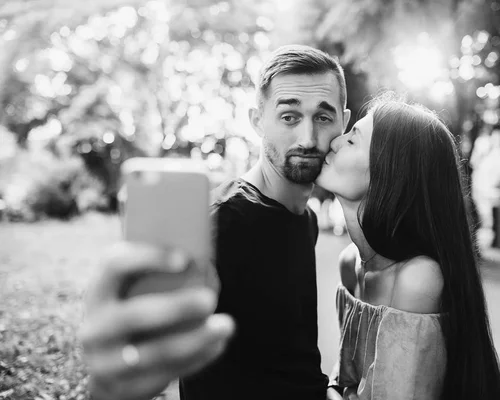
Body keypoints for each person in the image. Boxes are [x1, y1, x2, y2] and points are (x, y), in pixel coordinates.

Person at [80, 44, 351, 400]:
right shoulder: (223, 222)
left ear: (343, 122)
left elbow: (289, 359)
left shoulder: (307, 220)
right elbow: (150, 347)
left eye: (323, 117)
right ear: (258, 122)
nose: (308, 138)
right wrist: (111, 384)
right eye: (289, 117)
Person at [316, 95, 500, 400]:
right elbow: (345, 377)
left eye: (353, 140)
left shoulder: (418, 278)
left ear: (388, 173)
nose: (336, 142)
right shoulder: (350, 263)